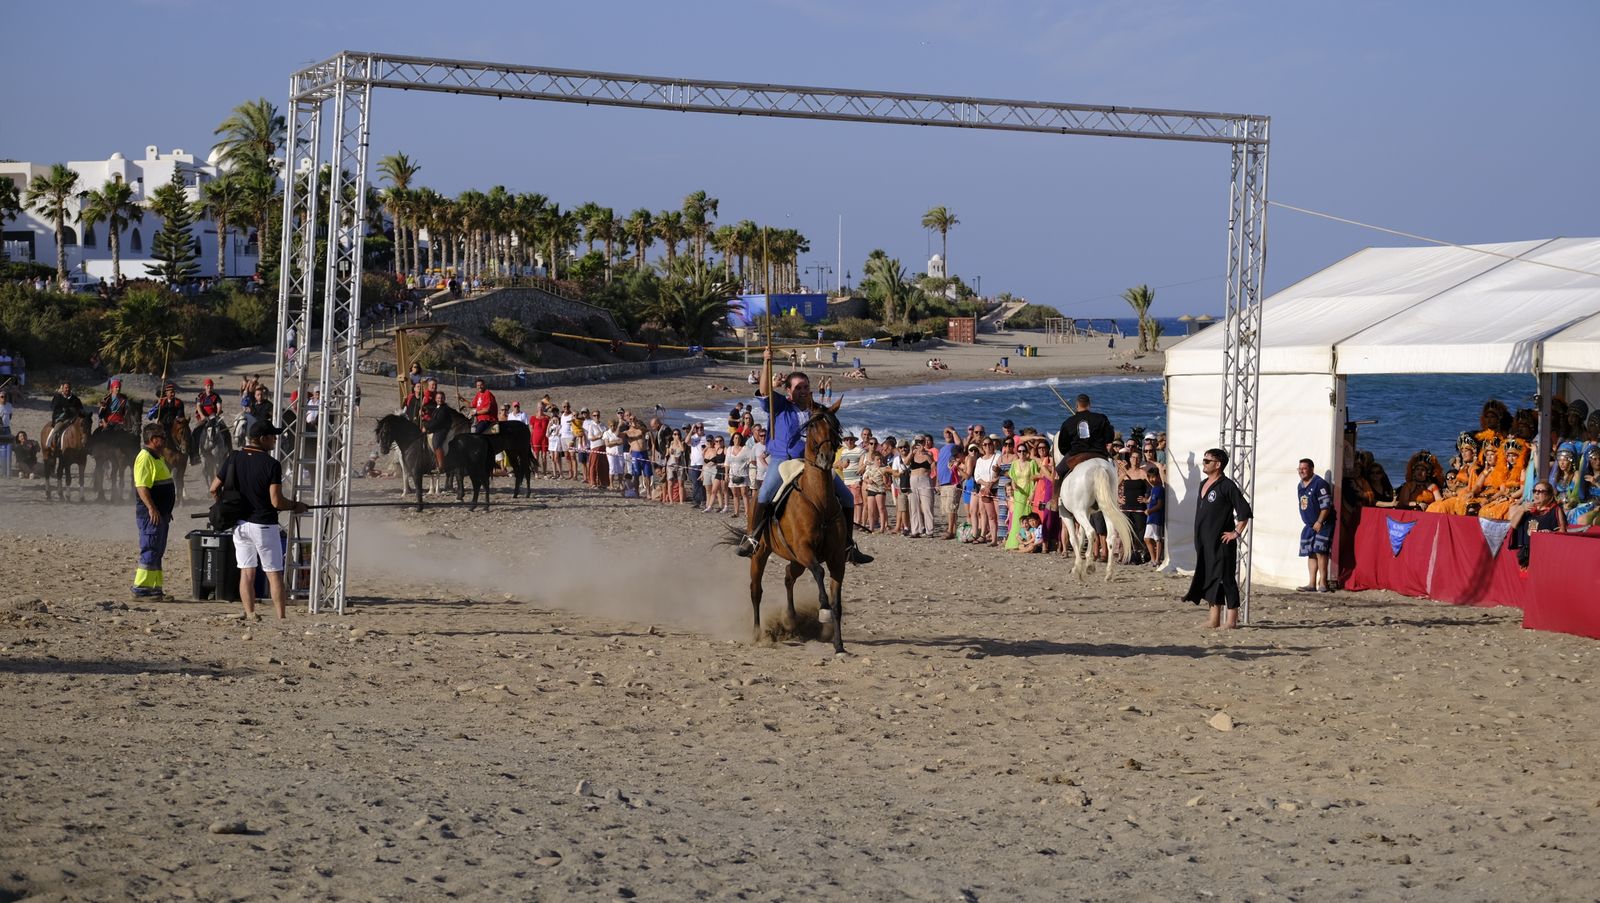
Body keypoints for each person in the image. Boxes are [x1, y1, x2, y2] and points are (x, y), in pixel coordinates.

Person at [736, 352, 872, 564]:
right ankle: (752, 537)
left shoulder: (817, 410)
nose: (802, 391)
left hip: (811, 463)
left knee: (846, 496)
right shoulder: (780, 405)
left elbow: (829, 433)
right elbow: (763, 390)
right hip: (782, 461)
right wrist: (765, 361)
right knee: (764, 495)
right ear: (788, 391)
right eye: (797, 387)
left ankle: (848, 546)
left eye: (805, 387)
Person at [211, 420, 309, 619]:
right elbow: (276, 501)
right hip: (264, 525)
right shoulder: (271, 464)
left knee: (247, 573)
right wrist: (295, 505)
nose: (275, 440)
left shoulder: (233, 458)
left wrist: (228, 506)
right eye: (272, 436)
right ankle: (281, 617)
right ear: (262, 439)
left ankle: (250, 614)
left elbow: (214, 488)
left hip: (239, 526)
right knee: (273, 573)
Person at [1183, 448, 1254, 629]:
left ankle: (1231, 620)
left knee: (1226, 578)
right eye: (1204, 460)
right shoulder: (1203, 484)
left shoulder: (1227, 485)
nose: (1204, 463)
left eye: (1207, 461)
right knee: (1210, 578)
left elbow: (1244, 511)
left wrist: (1236, 533)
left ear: (1218, 464)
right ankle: (1214, 619)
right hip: (1204, 542)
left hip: (1222, 542)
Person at [132, 423, 176, 599]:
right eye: (162, 438)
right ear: (152, 440)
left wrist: (166, 509)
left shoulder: (158, 457)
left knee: (158, 549)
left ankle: (155, 588)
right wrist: (152, 508)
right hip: (151, 514)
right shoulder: (145, 457)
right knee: (150, 547)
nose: (165, 440)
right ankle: (141, 588)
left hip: (162, 513)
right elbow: (142, 486)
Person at [1296, 458, 1335, 592]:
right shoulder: (1300, 486)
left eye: (1304, 468)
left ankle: (1323, 583)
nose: (1301, 471)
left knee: (1320, 551)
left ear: (1311, 469)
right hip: (1309, 525)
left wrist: (1319, 521)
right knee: (1311, 552)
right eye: (1299, 468)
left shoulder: (1320, 484)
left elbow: (1326, 506)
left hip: (1323, 523)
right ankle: (1311, 584)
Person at [1054, 393, 1114, 480]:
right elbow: (1110, 437)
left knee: (1057, 473)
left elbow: (1062, 446)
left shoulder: (1068, 422)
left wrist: (1069, 452)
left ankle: (1056, 494)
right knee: (1114, 471)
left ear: (1077, 405)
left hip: (1077, 453)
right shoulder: (1101, 418)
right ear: (1089, 404)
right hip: (1099, 453)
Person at [1507, 480, 1566, 568]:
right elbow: (1513, 525)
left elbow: (1563, 532)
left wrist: (1550, 533)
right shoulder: (1528, 509)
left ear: (1549, 495)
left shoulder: (1555, 510)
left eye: (1541, 491)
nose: (1537, 494)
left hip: (1546, 555)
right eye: (1535, 491)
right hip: (1527, 555)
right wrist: (1522, 509)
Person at [46, 380, 86, 452]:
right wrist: (64, 410)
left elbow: (81, 408)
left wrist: (83, 414)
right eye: (66, 388)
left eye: (69, 388)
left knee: (84, 430)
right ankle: (54, 448)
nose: (67, 389)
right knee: (56, 431)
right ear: (63, 388)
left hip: (74, 419)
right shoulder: (58, 397)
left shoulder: (75, 399)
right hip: (62, 419)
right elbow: (54, 408)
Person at [1143, 464, 1165, 565]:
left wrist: (1150, 511)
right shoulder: (1154, 489)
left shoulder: (1160, 489)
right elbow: (1151, 500)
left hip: (1156, 517)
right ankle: (1153, 559)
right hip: (1151, 517)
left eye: (1153, 477)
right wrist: (1145, 501)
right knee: (1147, 538)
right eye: (1150, 477)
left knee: (1157, 538)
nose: (1151, 479)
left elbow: (1159, 505)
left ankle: (1157, 559)